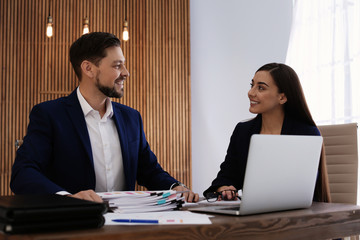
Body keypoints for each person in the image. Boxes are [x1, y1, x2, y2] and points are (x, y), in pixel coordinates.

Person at [10, 32, 199, 203]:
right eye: (117, 66)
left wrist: (176, 188)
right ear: (89, 69)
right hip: (74, 225)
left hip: (127, 225)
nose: (126, 72)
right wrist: (68, 198)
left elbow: (149, 170)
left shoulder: (131, 117)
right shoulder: (49, 115)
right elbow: (23, 173)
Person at [204, 63, 331, 202]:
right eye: (252, 85)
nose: (251, 93)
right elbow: (227, 175)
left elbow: (305, 187)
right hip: (254, 215)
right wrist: (224, 188)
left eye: (261, 88)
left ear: (282, 97)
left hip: (295, 214)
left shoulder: (306, 133)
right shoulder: (243, 131)